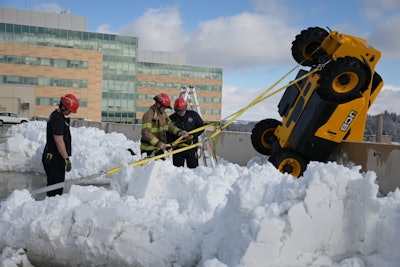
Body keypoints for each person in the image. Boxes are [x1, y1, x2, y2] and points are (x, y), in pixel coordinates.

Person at [42, 93, 79, 197]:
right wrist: (66, 159)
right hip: (55, 159)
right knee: (55, 189)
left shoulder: (58, 116)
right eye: (69, 110)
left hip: (54, 157)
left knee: (55, 186)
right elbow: (59, 141)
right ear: (63, 106)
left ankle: (53, 206)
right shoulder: (57, 119)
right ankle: (52, 209)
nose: (70, 113)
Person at [140, 93, 188, 158]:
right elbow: (146, 133)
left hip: (158, 148)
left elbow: (170, 126)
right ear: (158, 104)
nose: (165, 109)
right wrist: (158, 143)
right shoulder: (149, 114)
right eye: (164, 107)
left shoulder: (163, 114)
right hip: (148, 149)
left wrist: (179, 132)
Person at [167, 98, 204, 168]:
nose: (180, 113)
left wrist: (193, 135)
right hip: (178, 149)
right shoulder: (171, 118)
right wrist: (169, 144)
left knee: (193, 170)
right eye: (178, 111)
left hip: (192, 148)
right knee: (177, 170)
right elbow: (168, 133)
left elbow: (201, 127)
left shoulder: (193, 115)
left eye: (182, 111)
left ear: (185, 108)